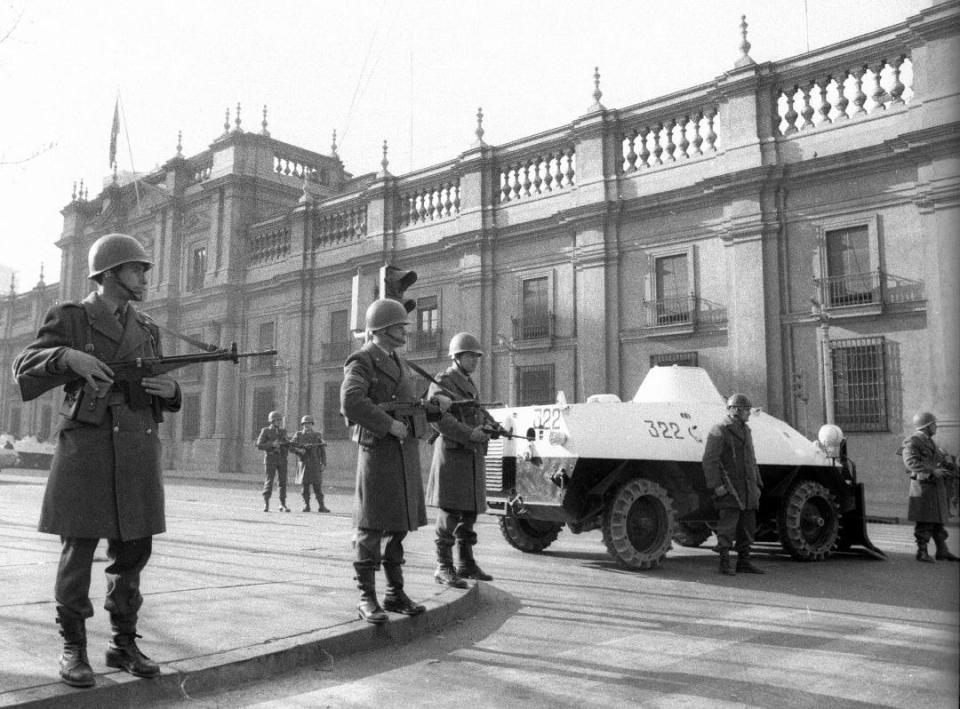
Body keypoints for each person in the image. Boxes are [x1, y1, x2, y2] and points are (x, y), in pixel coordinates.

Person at [12, 233, 181, 688]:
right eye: (136, 269)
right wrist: (68, 356)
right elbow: (23, 365)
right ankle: (74, 649)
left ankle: (122, 643)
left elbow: (155, 382)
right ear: (108, 274)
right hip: (87, 449)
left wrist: (172, 392)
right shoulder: (72, 318)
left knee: (133, 552)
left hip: (137, 450)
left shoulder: (145, 328)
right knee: (78, 551)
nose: (145, 276)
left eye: (144, 269)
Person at [340, 298, 449, 624]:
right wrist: (388, 424)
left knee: (398, 528)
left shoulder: (399, 361)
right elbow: (351, 401)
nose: (406, 330)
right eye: (401, 326)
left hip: (402, 455)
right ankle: (367, 598)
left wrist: (434, 406)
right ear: (385, 328)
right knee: (371, 528)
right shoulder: (362, 360)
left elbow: (405, 403)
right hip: (379, 453)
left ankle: (394, 593)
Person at [426, 332, 493, 588]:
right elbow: (439, 418)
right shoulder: (442, 381)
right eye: (470, 356)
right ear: (456, 356)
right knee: (450, 511)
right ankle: (443, 567)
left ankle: (465, 563)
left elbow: (473, 413)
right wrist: (470, 434)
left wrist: (488, 427)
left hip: (470, 454)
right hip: (454, 453)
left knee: (469, 512)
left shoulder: (467, 382)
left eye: (476, 357)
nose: (475, 361)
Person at [702, 393, 765, 575]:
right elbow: (709, 460)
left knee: (747, 527)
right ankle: (724, 563)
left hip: (747, 487)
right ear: (736, 410)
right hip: (730, 488)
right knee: (727, 527)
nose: (749, 414)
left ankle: (744, 561)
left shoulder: (746, 430)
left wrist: (757, 485)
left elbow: (751, 460)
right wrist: (716, 486)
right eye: (746, 410)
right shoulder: (720, 429)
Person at [901, 411, 959, 563]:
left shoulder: (931, 442)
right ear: (926, 426)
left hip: (934, 487)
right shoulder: (912, 441)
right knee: (925, 521)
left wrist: (949, 467)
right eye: (934, 424)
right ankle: (922, 552)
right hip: (923, 487)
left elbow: (939, 460)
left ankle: (942, 551)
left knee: (938, 521)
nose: (936, 426)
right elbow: (910, 463)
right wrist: (933, 471)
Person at [292, 415, 329, 513]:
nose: (307, 425)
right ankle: (306, 505)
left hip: (315, 463)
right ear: (302, 425)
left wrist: (323, 463)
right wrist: (300, 450)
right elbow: (291, 446)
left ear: (312, 424)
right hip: (304, 463)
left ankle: (322, 506)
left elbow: (322, 451)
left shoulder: (317, 435)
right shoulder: (298, 435)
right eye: (305, 424)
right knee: (305, 487)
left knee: (317, 486)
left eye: (308, 423)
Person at [256, 410, 290, 512]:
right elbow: (259, 444)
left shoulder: (283, 431)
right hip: (270, 458)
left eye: (280, 420)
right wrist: (272, 444)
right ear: (272, 421)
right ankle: (266, 504)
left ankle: (283, 504)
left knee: (283, 482)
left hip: (282, 459)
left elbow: (287, 444)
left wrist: (288, 444)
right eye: (277, 420)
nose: (279, 422)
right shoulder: (266, 431)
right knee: (269, 481)